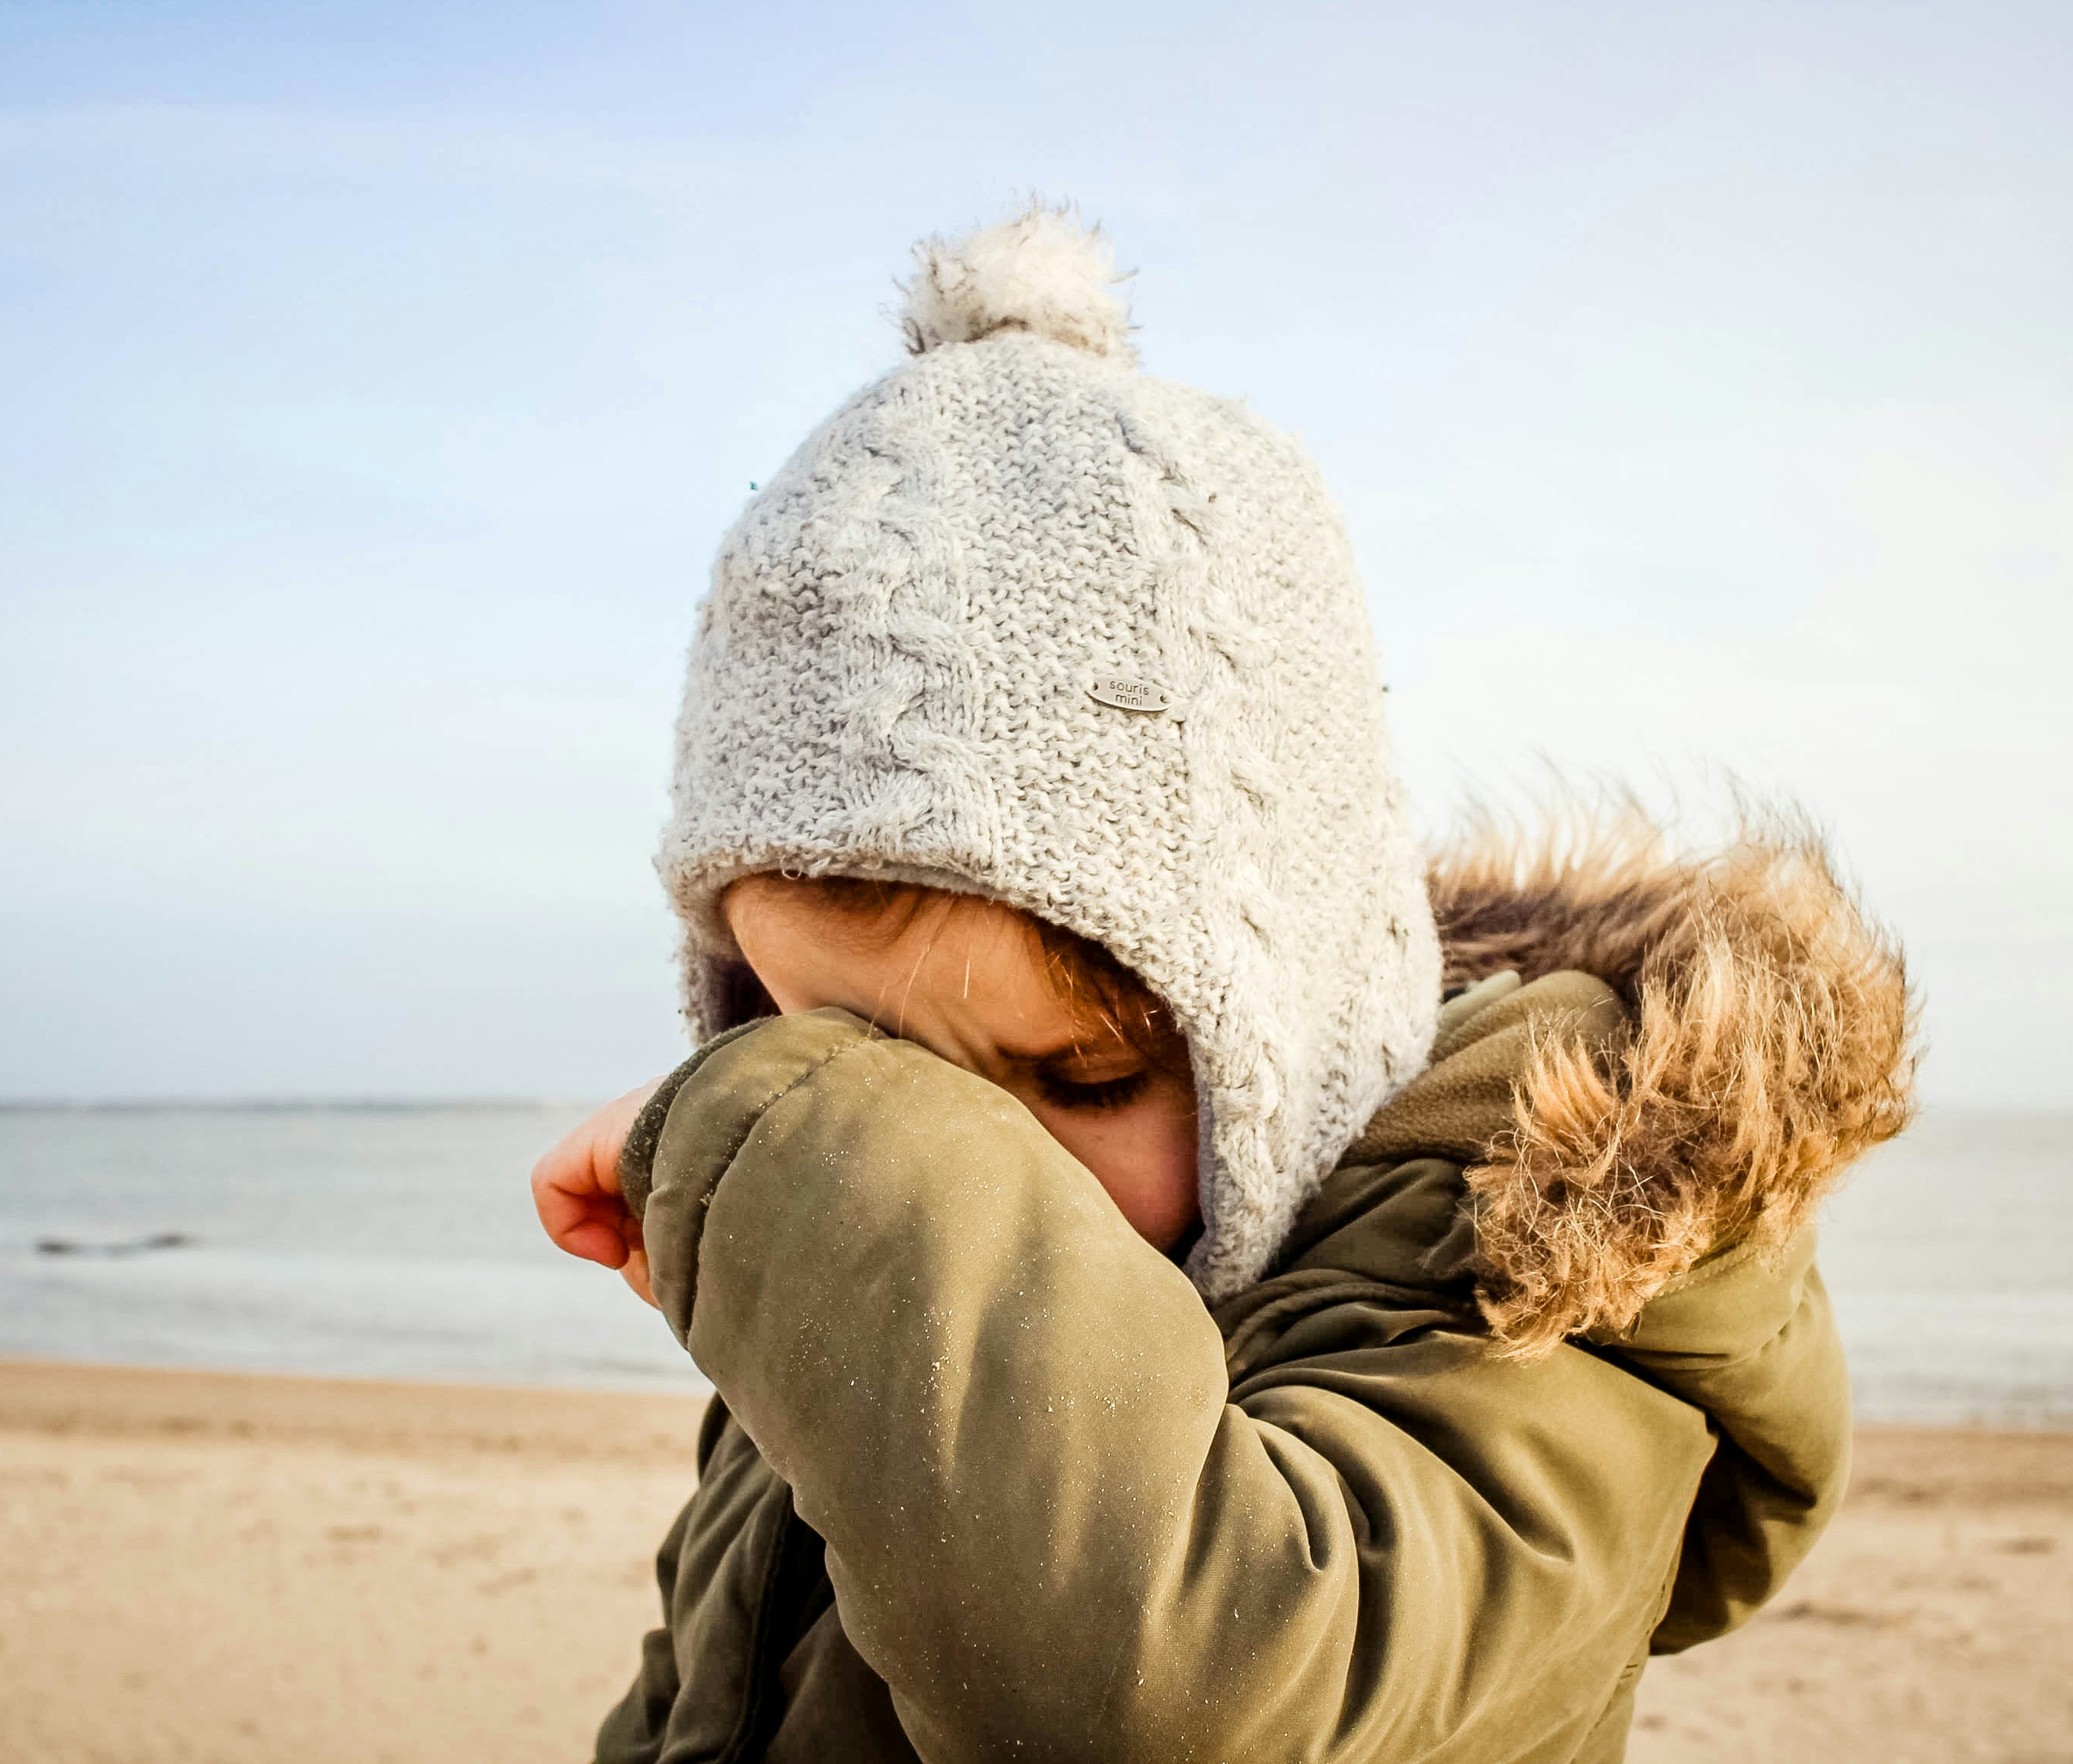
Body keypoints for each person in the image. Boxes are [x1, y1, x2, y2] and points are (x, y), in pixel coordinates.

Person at [532, 205, 1917, 1762]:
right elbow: (703, 1695)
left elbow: (1189, 1706)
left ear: (1295, 1011)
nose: (961, 1165)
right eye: (828, 1042)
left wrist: (818, 1149)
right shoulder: (865, 1259)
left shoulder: (1545, 1284)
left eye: (1084, 1075)